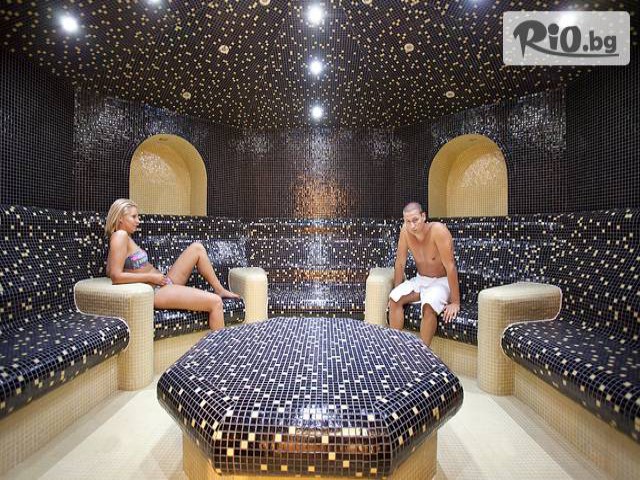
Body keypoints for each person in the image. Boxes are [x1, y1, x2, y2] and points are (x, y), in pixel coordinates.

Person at [104, 199, 240, 330]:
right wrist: (150, 278)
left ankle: (219, 289)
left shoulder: (124, 237)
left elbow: (110, 270)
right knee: (215, 302)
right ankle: (219, 345)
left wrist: (151, 277)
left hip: (163, 283)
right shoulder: (120, 236)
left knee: (197, 248)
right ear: (120, 218)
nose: (138, 221)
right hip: (156, 291)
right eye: (133, 217)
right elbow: (115, 276)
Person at [388, 202, 460, 346]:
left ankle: (422, 353)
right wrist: (397, 288)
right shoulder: (405, 232)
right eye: (408, 221)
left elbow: (450, 266)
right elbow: (400, 263)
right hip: (421, 280)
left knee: (428, 306)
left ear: (423, 216)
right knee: (394, 299)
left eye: (415, 220)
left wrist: (455, 302)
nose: (412, 225)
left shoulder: (438, 231)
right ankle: (395, 348)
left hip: (441, 281)